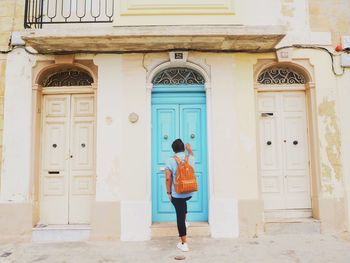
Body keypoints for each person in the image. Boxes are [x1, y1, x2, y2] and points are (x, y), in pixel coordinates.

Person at [165, 138, 195, 252]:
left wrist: (168, 193)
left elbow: (168, 178)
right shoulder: (190, 158)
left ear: (173, 150)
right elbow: (192, 154)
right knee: (183, 203)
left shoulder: (170, 161)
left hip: (177, 194)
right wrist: (189, 149)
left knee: (179, 217)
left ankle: (184, 243)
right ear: (183, 148)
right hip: (189, 191)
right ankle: (186, 221)